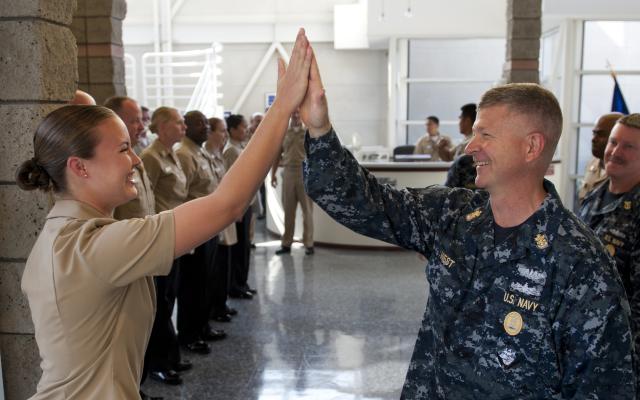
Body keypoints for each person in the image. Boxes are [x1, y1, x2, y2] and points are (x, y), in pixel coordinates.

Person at [299, 46, 634, 398]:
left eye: (486, 135)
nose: (471, 146)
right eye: (474, 133)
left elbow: (605, 388)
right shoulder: (453, 215)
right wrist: (319, 129)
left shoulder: (580, 264)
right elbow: (359, 200)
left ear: (532, 147)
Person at [15, 28, 313, 399]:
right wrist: (282, 108)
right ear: (80, 167)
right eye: (123, 149)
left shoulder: (67, 235)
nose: (136, 159)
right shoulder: (92, 247)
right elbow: (226, 204)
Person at [104, 96, 163, 400]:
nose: (141, 126)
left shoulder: (137, 155)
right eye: (134, 120)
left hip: (144, 249)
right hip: (128, 254)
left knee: (145, 323)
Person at [578, 113, 640, 395]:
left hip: (622, 358)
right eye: (613, 142)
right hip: (582, 345)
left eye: (629, 146)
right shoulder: (594, 197)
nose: (615, 151)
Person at [176, 110, 227, 352]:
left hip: (209, 227)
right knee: (192, 285)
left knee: (207, 280)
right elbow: (182, 196)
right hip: (194, 230)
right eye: (199, 123)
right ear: (185, 127)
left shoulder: (200, 152)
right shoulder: (184, 155)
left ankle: (202, 326)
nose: (205, 127)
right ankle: (189, 334)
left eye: (207, 123)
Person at [205, 117, 239, 322]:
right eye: (221, 131)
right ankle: (214, 308)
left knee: (224, 263)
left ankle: (221, 304)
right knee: (213, 269)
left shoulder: (217, 153)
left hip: (222, 216)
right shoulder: (206, 154)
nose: (224, 135)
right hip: (211, 218)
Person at [271, 110, 314, 255]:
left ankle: (308, 243)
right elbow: (277, 154)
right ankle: (286, 243)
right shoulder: (284, 133)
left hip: (304, 173)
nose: (296, 116)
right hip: (288, 172)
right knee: (288, 211)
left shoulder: (309, 132)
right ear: (289, 115)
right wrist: (273, 175)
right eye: (293, 113)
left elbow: (315, 154)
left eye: (298, 113)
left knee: (307, 211)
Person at [224, 114, 257, 299]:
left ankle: (242, 282)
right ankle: (235, 285)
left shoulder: (240, 146)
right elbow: (232, 181)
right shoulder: (230, 151)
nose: (247, 130)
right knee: (239, 249)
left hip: (247, 203)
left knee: (245, 247)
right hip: (240, 206)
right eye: (243, 127)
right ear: (233, 130)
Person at [578, 112, 623, 201]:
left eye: (601, 134)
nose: (593, 139)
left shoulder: (626, 172)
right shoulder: (592, 164)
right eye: (594, 133)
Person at [444, 104, 478, 189]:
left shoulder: (470, 144)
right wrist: (442, 148)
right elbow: (449, 156)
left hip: (462, 191)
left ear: (466, 120)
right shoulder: (464, 142)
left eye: (460, 119)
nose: (459, 123)